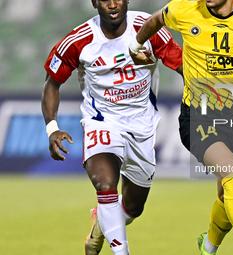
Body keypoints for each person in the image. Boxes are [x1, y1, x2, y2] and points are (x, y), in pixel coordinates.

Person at [129, 0, 233, 255]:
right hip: (197, 115)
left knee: (229, 194)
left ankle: (208, 246)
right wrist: (135, 44)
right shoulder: (185, 9)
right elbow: (155, 20)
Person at [41, 0, 183, 254]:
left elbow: (183, 65)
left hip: (142, 126)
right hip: (102, 122)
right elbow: (52, 83)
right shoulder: (78, 41)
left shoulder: (148, 28)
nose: (113, 4)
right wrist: (52, 128)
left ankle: (100, 227)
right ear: (94, 2)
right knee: (105, 184)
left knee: (133, 207)